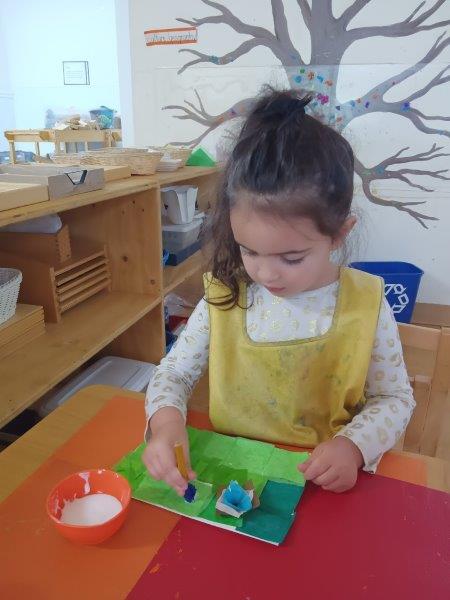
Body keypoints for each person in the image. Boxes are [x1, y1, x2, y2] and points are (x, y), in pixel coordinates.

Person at [143, 87, 415, 496]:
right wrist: (165, 424)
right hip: (232, 473)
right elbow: (175, 372)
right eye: (249, 250)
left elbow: (394, 398)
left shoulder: (366, 303)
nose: (265, 273)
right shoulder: (225, 294)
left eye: (291, 258)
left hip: (321, 481)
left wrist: (353, 447)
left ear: (339, 233)